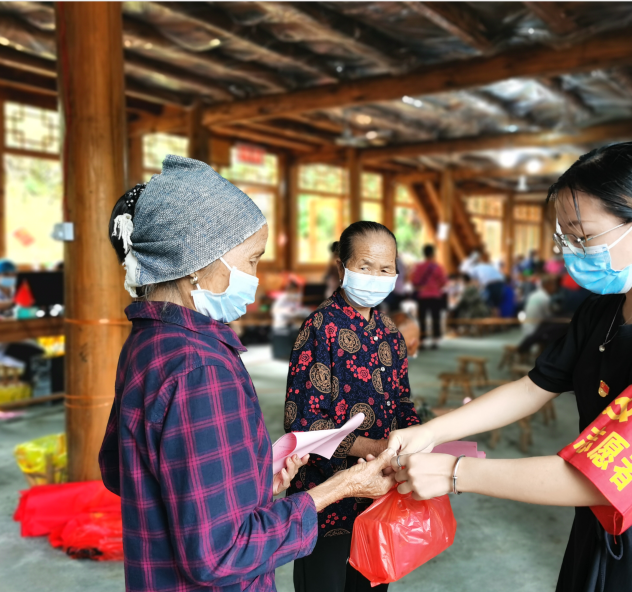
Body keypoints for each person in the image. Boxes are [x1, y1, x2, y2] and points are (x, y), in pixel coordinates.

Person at [387, 143, 632, 592]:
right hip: (592, 539)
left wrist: (455, 473)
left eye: (583, 236)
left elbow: (603, 478)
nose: (573, 251)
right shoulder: (603, 309)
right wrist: (431, 432)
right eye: (565, 238)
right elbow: (534, 387)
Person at [99, 156, 395, 592]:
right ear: (197, 260)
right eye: (253, 260)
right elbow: (222, 554)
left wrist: (250, 482)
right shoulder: (201, 368)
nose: (255, 278)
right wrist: (340, 487)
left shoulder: (149, 342)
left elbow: (119, 469)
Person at [285, 221, 421, 592]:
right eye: (365, 266)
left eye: (386, 269)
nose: (375, 277)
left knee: (372, 583)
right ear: (341, 267)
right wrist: (375, 447)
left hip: (380, 496)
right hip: (326, 498)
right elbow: (304, 425)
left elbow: (403, 402)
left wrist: (416, 439)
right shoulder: (320, 328)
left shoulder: (391, 334)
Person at [410, 244, 447, 349]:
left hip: (422, 296)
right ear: (433, 254)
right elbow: (443, 282)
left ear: (424, 254)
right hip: (435, 295)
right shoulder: (438, 267)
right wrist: (436, 287)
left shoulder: (418, 267)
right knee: (436, 318)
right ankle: (435, 341)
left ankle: (422, 341)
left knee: (422, 318)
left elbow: (414, 281)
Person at [518, 274, 561, 343]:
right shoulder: (545, 298)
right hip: (536, 330)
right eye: (553, 285)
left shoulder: (533, 294)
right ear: (547, 285)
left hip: (526, 328)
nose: (555, 287)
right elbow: (549, 316)